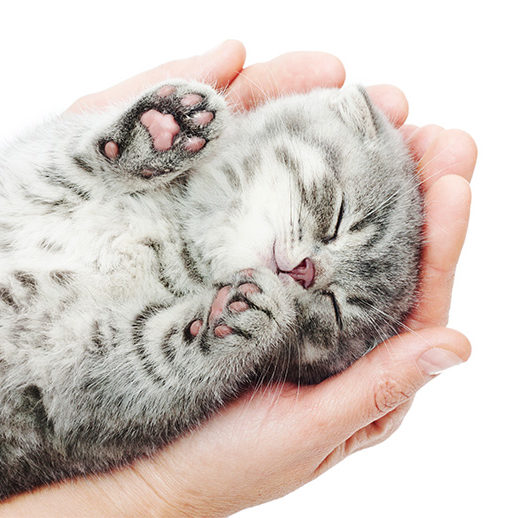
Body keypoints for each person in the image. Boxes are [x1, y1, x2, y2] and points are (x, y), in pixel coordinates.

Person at [0, 40, 476, 517]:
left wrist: (162, 482)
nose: (311, 271)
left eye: (331, 306)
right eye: (334, 218)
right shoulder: (201, 150)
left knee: (99, 378)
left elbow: (70, 413)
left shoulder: (224, 316)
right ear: (339, 113)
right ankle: (107, 161)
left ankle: (181, 354)